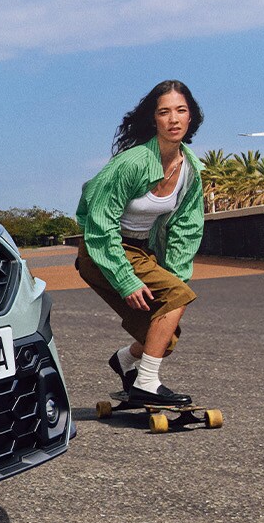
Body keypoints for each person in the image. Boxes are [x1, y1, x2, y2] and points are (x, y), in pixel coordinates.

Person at [73, 80, 206, 406]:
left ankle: (125, 360)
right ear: (154, 120)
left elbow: (187, 229)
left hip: (141, 252)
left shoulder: (190, 171)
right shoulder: (130, 164)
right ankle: (147, 382)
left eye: (181, 111)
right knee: (176, 299)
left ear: (191, 118)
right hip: (102, 251)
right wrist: (125, 277)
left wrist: (173, 276)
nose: (173, 119)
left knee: (165, 337)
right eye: (164, 112)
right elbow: (99, 223)